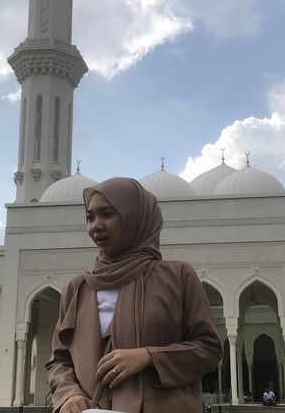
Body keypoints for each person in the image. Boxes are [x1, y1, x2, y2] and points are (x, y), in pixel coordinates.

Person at [46, 177, 222, 413]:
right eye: (90, 217)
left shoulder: (178, 277)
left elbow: (209, 350)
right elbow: (59, 359)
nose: (95, 225)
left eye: (107, 214)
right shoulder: (78, 287)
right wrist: (68, 394)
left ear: (135, 217)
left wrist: (149, 357)